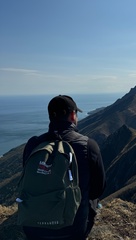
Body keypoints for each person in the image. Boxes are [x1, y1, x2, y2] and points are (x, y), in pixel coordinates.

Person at [21, 95, 106, 240]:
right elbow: (98, 189)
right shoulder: (88, 145)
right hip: (73, 231)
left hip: (32, 229)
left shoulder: (33, 144)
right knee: (92, 197)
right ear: (73, 115)